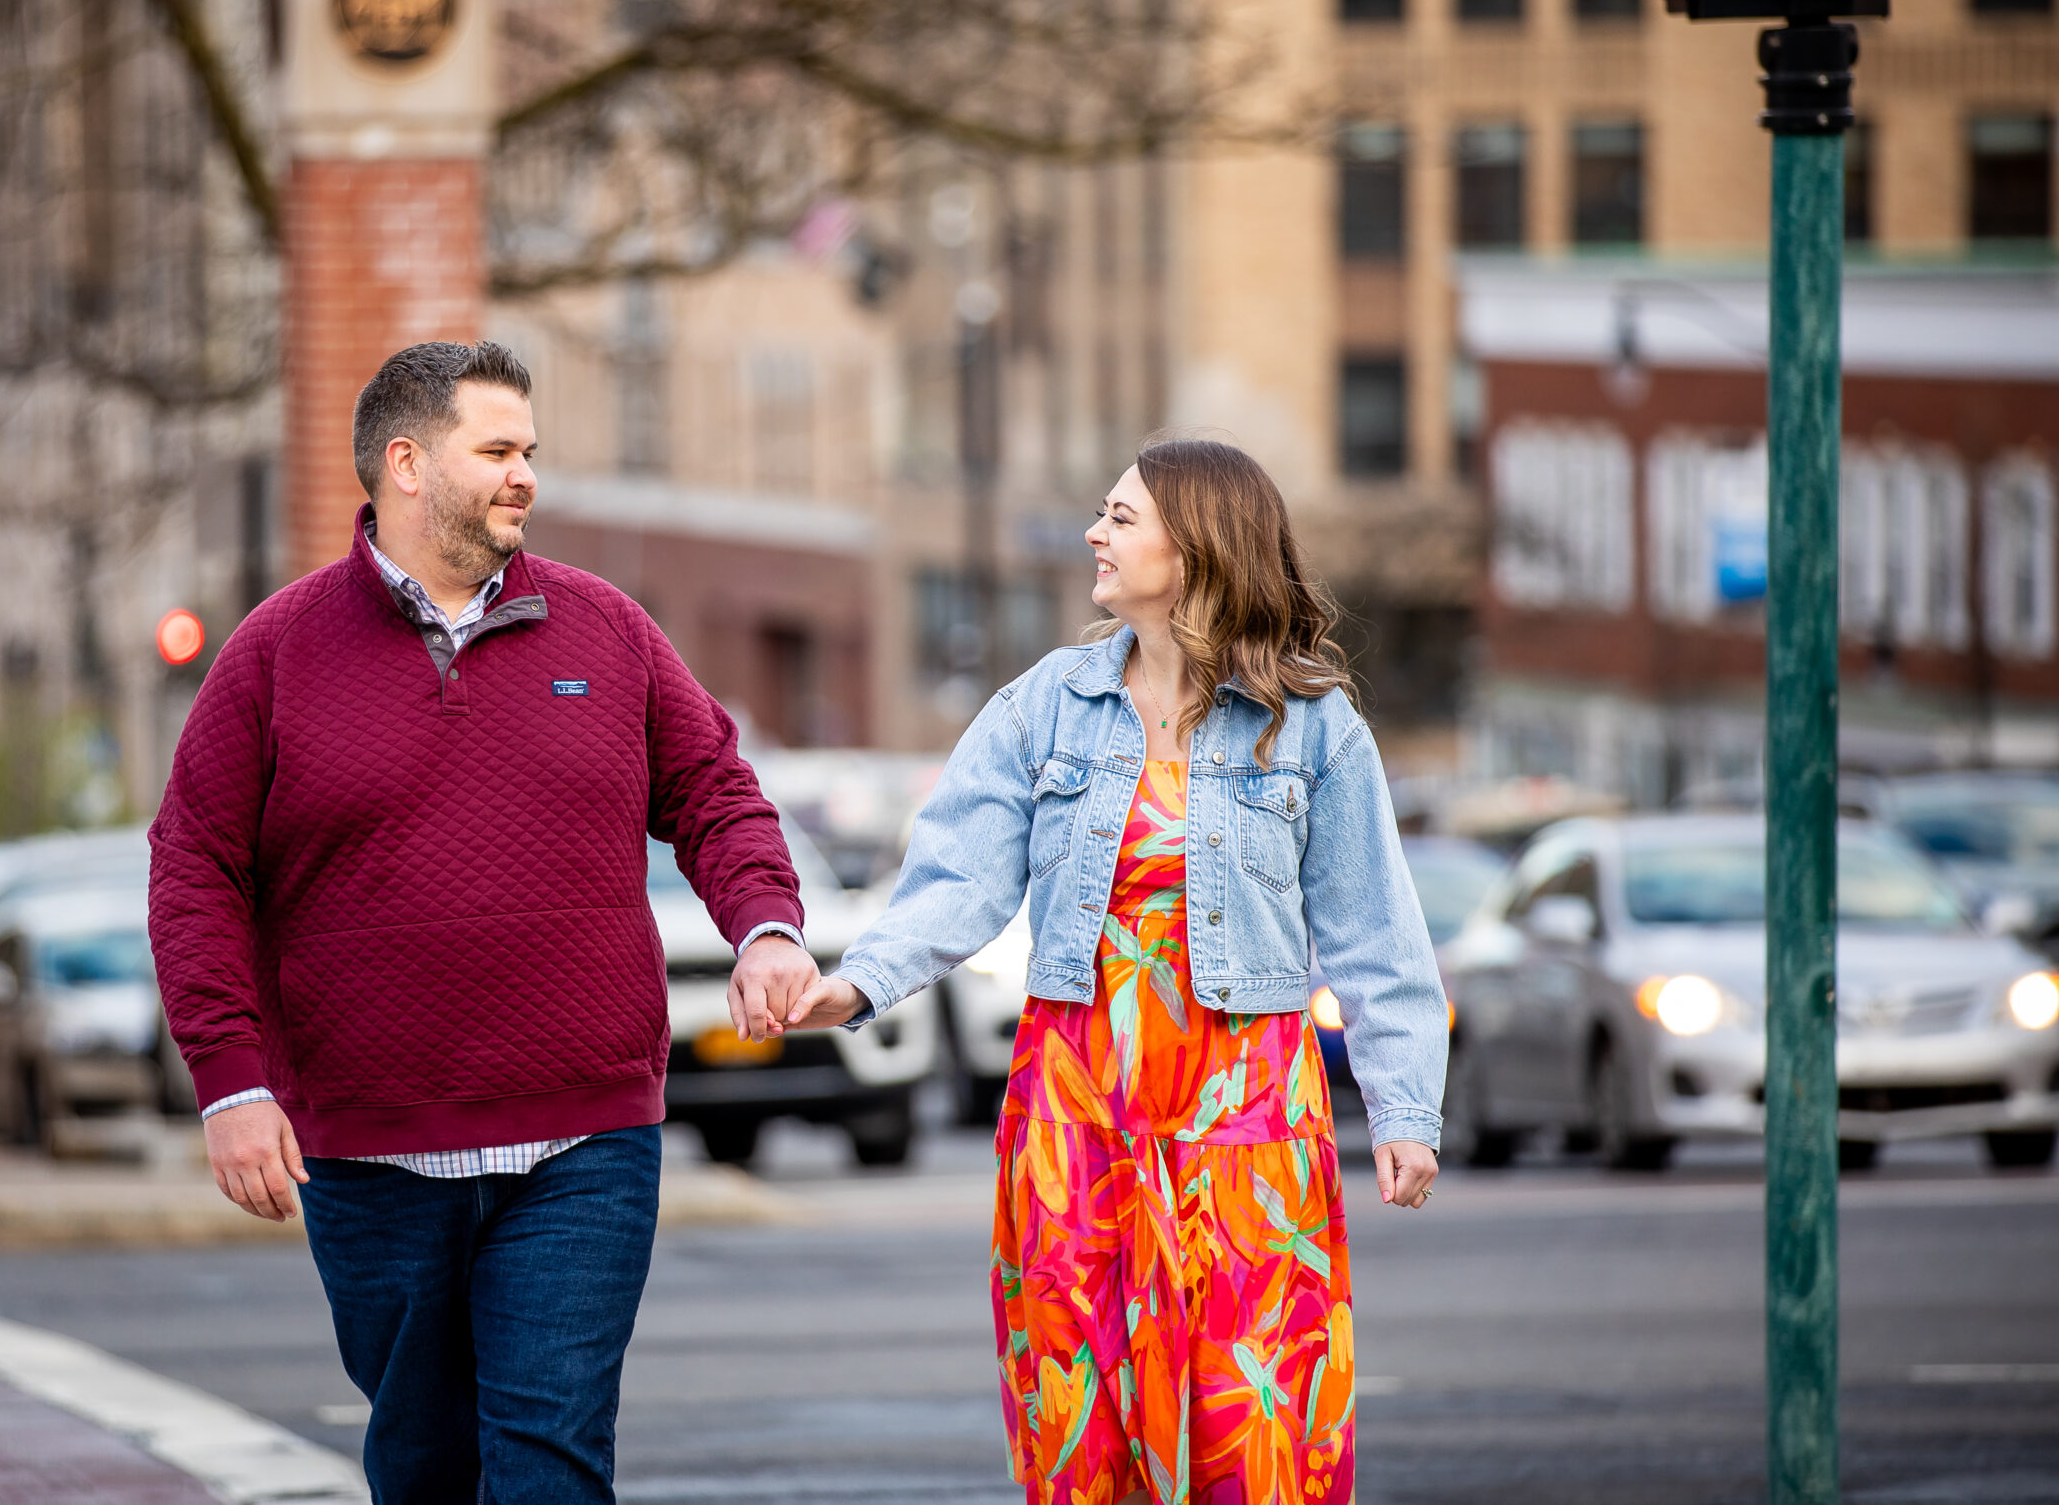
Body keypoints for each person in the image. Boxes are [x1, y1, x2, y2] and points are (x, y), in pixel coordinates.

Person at [148, 340, 818, 1505]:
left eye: (530, 452)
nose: (525, 477)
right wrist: (231, 1083)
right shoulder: (275, 652)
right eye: (497, 451)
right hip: (367, 1147)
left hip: (584, 1140)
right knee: (422, 1464)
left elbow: (715, 789)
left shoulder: (606, 630)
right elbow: (195, 867)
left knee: (549, 1458)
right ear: (405, 465)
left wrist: (765, 923)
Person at [790, 439, 1447, 1504]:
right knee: (1080, 1433)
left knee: (1260, 1429)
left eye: (1120, 517)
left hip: (1248, 1119)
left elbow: (1376, 932)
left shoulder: (1315, 725)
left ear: (1194, 549)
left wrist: (1405, 1108)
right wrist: (861, 981)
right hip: (1076, 1115)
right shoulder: (1046, 704)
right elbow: (958, 871)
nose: (1095, 534)